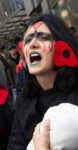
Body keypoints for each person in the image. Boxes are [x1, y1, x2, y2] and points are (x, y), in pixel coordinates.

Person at [7, 14, 78, 150]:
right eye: (28, 40)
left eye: (43, 37)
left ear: (62, 46)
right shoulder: (24, 101)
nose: (33, 43)